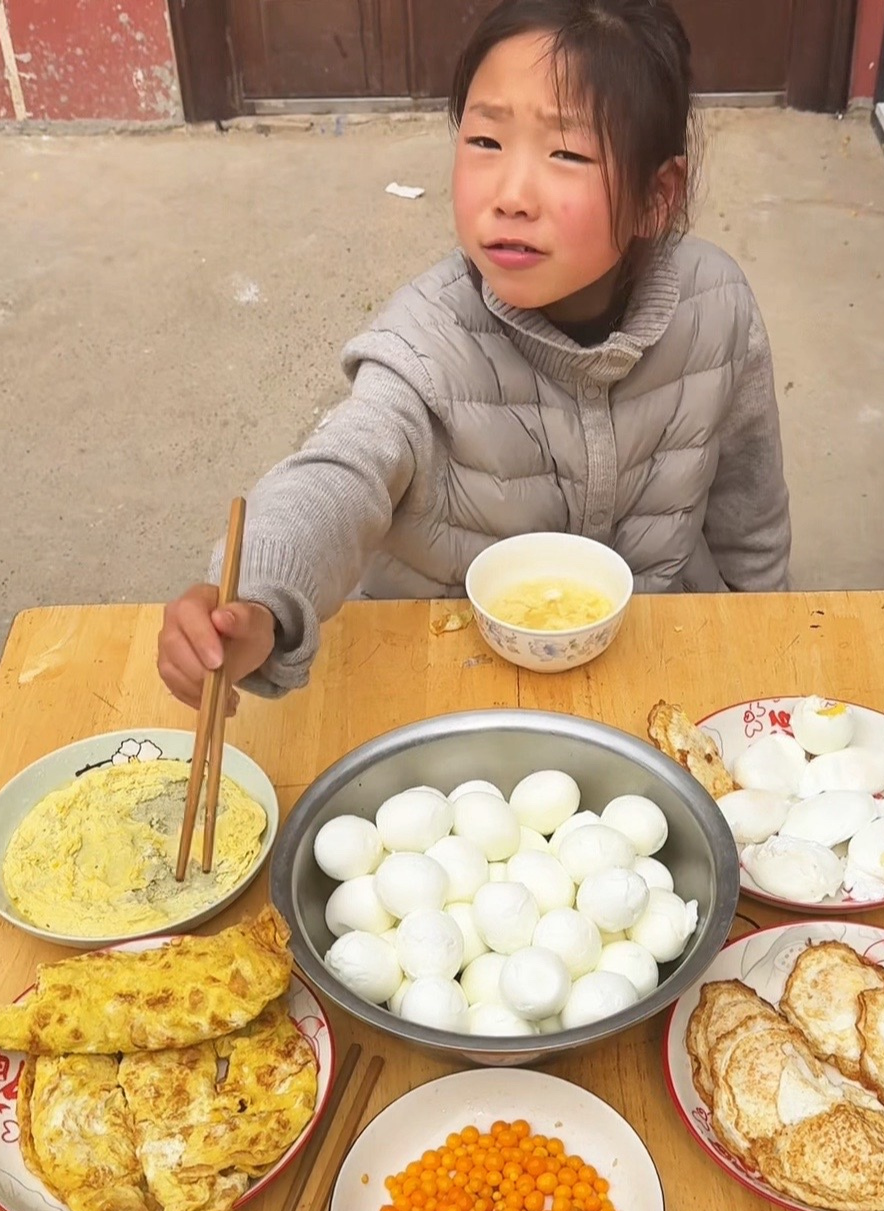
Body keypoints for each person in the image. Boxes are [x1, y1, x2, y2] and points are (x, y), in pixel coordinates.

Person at [157, 0, 790, 710]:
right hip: (454, 688)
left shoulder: (717, 307)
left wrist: (761, 653)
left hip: (654, 679)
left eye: (567, 154)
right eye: (485, 142)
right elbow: (338, 475)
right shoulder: (424, 345)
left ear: (655, 197)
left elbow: (750, 525)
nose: (511, 195)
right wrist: (255, 602)